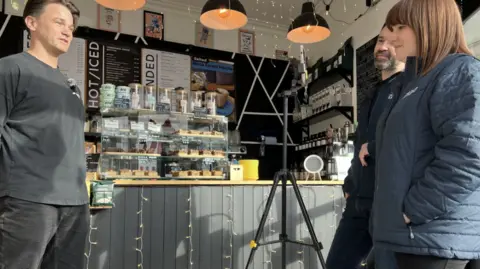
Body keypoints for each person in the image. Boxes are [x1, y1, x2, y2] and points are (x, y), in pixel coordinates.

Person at [373, 0, 480, 268]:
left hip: (432, 239)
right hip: (411, 237)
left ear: (429, 25)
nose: (393, 36)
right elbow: (409, 146)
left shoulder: (459, 71)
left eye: (400, 27)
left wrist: (413, 210)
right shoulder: (417, 81)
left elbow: (468, 156)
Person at [0, 1, 88, 268]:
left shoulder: (69, 85)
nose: (67, 31)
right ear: (32, 23)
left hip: (76, 202)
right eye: (59, 22)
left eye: (71, 27)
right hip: (28, 199)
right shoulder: (9, 69)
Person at [326, 25, 404, 269]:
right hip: (358, 203)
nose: (382, 47)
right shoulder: (371, 95)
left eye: (393, 42)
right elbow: (358, 144)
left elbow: (408, 142)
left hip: (389, 207)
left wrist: (374, 146)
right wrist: (350, 184)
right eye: (380, 40)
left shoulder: (411, 90)